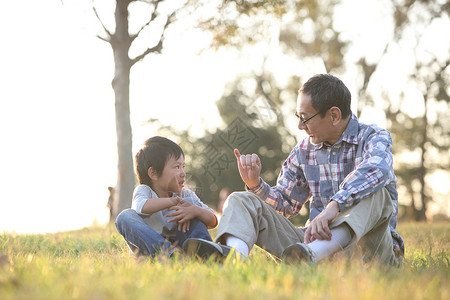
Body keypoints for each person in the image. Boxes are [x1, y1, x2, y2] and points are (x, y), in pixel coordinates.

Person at [184, 74, 405, 266]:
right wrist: (256, 185)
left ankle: (312, 255)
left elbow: (377, 170)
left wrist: (333, 207)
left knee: (378, 192)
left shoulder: (374, 137)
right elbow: (286, 205)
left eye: (305, 118)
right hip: (312, 244)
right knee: (241, 199)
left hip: (368, 251)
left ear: (334, 115)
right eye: (298, 117)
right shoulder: (304, 150)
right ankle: (234, 258)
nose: (300, 126)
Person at [115, 136, 218, 258]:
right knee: (124, 216)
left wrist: (195, 210)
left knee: (191, 206)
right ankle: (169, 254)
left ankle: (206, 253)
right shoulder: (144, 191)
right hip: (150, 250)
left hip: (182, 246)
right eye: (177, 167)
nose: (183, 173)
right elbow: (141, 207)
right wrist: (173, 201)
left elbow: (213, 221)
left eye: (183, 167)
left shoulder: (185, 194)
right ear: (154, 173)